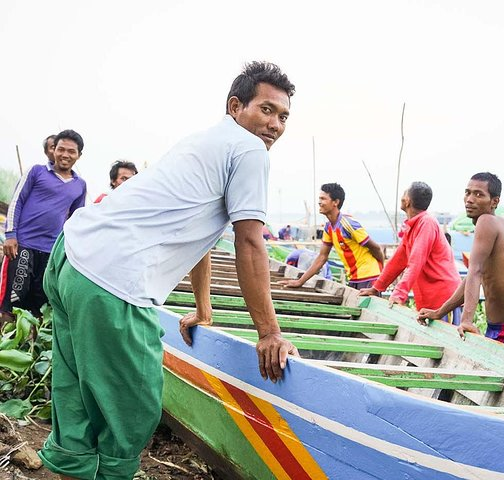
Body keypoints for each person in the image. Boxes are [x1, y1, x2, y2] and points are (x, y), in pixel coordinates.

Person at [38, 61, 299, 480]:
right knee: (134, 405)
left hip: (71, 255)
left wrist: (203, 308)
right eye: (266, 110)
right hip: (111, 280)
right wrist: (269, 332)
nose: (275, 125)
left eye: (283, 116)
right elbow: (250, 243)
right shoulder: (249, 150)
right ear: (236, 106)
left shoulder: (206, 141)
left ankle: (71, 469)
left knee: (76, 393)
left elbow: (198, 237)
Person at [417, 172, 504, 349]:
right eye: (467, 192)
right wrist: (440, 312)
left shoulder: (486, 222)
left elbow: (475, 271)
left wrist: (467, 320)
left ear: (494, 202)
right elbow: (473, 275)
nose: (470, 199)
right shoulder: (498, 223)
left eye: (479, 194)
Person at [1, 130, 86, 321]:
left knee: (39, 306)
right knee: (12, 301)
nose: (65, 155)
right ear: (53, 150)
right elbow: (17, 201)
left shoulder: (80, 185)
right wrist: (10, 235)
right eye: (61, 149)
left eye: (71, 151)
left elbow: (75, 221)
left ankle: (29, 347)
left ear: (79, 155)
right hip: (22, 246)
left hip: (51, 252)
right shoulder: (36, 172)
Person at [358, 181, 460, 313]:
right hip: (430, 299)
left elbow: (416, 261)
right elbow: (397, 261)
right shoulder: (413, 226)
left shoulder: (426, 223)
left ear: (407, 201)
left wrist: (399, 294)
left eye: (404, 193)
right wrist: (377, 288)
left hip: (444, 299)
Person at [279, 183, 384, 290]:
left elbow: (375, 248)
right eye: (319, 199)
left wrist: (382, 272)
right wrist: (299, 282)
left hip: (369, 276)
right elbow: (322, 257)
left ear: (335, 202)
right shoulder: (328, 228)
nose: (319, 202)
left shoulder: (348, 224)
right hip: (354, 277)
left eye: (323, 199)